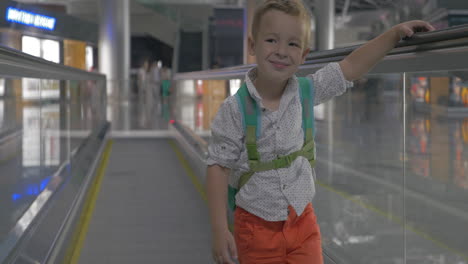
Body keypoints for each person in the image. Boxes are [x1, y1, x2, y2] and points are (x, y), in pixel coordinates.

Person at [205, 1, 435, 263]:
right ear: (252, 46)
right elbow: (218, 167)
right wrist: (220, 229)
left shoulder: (306, 91)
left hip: (302, 222)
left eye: (293, 44)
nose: (281, 51)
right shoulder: (235, 109)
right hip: (255, 227)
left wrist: (393, 34)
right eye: (271, 40)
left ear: (304, 56)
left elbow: (349, 67)